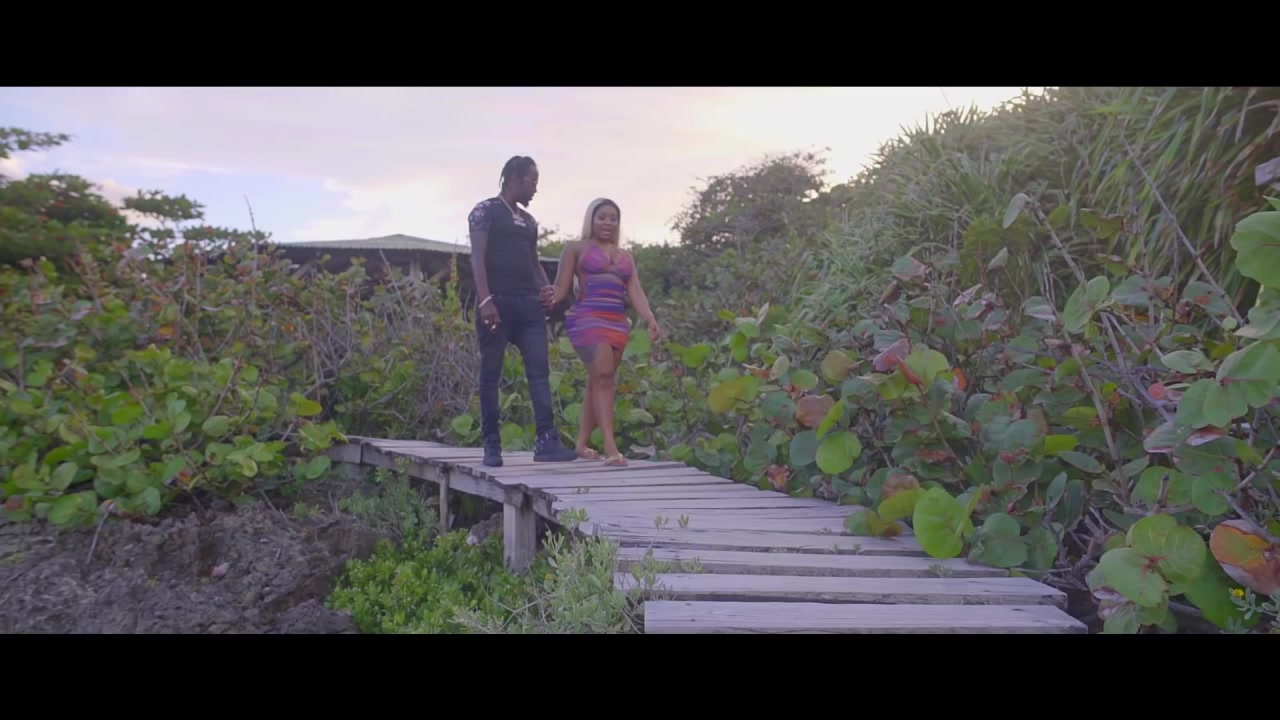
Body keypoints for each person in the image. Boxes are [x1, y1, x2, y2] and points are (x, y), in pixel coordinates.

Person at [468, 155, 577, 467]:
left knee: (539, 373)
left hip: (528, 307)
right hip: (497, 304)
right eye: (533, 182)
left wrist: (546, 288)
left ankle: (547, 441)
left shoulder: (529, 222)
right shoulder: (485, 211)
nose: (535, 189)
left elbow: (533, 262)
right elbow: (477, 258)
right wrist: (485, 301)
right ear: (514, 178)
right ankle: (492, 444)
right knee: (491, 374)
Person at [551, 197, 661, 466]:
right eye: (602, 217)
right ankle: (611, 447)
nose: (608, 223)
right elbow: (560, 288)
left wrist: (649, 318)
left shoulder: (625, 256)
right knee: (603, 376)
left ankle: (581, 444)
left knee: (600, 378)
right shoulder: (576, 248)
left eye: (613, 218)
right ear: (591, 219)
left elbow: (635, 290)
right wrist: (541, 299)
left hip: (617, 322)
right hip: (587, 318)